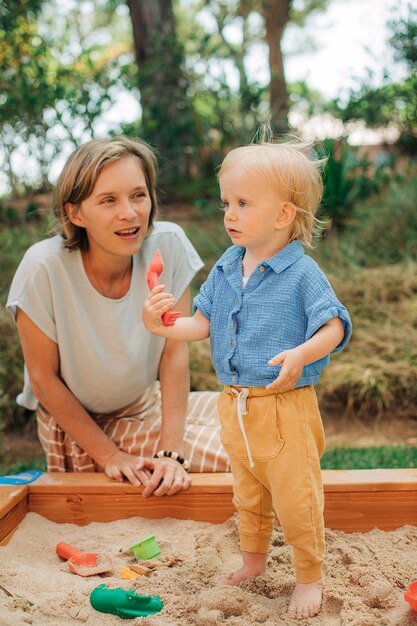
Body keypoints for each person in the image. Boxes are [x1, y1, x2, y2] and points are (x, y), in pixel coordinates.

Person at [142, 137, 352, 619]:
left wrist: (302, 352)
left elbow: (334, 325)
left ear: (282, 215)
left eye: (241, 203)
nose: (228, 214)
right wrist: (165, 323)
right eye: (226, 203)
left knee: (297, 497)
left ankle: (308, 577)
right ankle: (254, 563)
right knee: (249, 491)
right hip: (235, 404)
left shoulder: (301, 274)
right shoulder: (226, 266)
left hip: (285, 406)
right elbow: (203, 324)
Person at [6, 136, 230, 496]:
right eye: (108, 200)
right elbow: (43, 380)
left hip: (146, 402)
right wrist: (111, 456)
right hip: (82, 429)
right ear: (75, 213)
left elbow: (173, 352)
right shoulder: (42, 269)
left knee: (260, 420)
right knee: (237, 452)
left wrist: (170, 451)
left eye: (138, 195)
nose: (129, 213)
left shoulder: (168, 244)